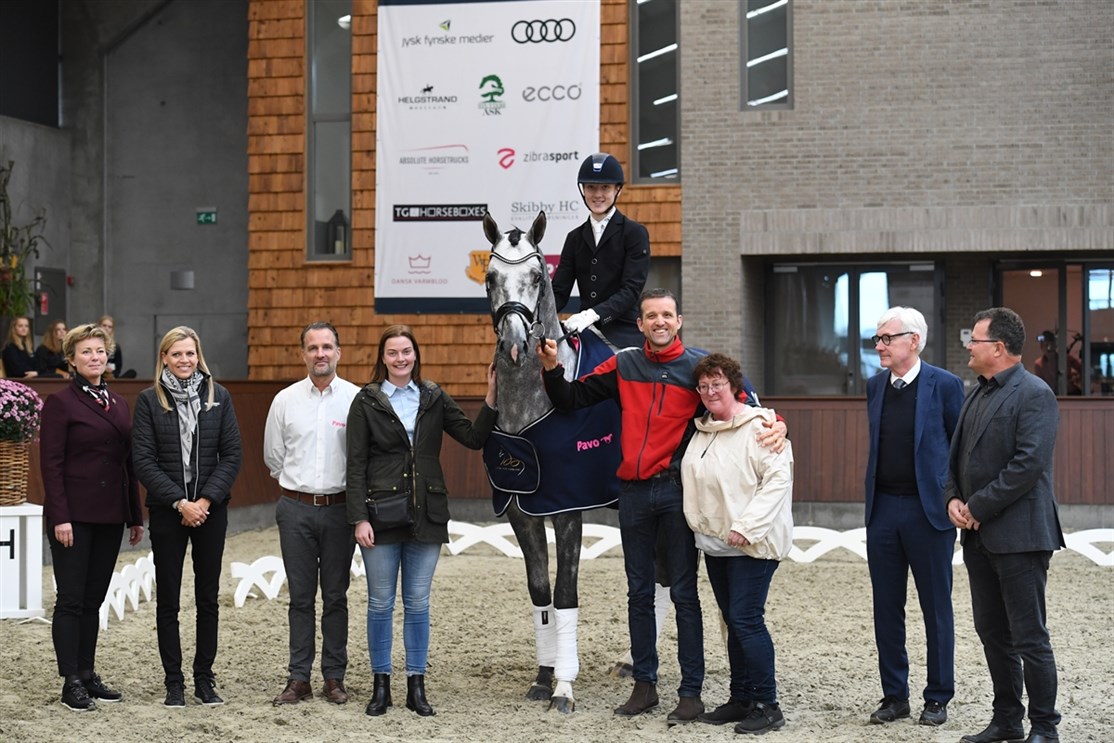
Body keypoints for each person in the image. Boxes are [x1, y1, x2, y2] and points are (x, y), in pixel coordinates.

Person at [536, 287, 787, 724]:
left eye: (666, 315)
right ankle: (645, 684)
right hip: (632, 494)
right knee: (638, 594)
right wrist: (552, 369)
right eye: (651, 315)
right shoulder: (624, 363)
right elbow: (570, 400)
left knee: (685, 594)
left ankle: (690, 692)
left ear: (679, 320)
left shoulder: (698, 369)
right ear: (640, 324)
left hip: (676, 493)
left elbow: (746, 411)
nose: (659, 321)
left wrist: (778, 425)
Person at [346, 325, 497, 718]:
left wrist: (492, 398)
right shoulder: (367, 401)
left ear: (416, 355)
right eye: (393, 353)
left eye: (406, 352)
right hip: (380, 515)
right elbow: (356, 463)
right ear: (383, 358)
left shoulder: (433, 396)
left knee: (417, 603)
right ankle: (381, 687)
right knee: (380, 603)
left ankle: (416, 685)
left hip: (426, 514)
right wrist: (359, 517)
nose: (400, 359)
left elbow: (473, 437)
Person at [947, 307, 1064, 743]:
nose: (968, 347)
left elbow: (1028, 465)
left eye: (974, 340)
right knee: (993, 632)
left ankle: (1045, 728)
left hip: (1021, 537)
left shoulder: (1036, 393)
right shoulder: (976, 393)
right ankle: (1008, 721)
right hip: (977, 536)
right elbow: (954, 457)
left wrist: (976, 505)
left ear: (997, 347)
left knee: (1029, 636)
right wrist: (952, 500)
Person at [680, 353, 794, 735]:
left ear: (735, 387)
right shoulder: (702, 431)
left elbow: (777, 480)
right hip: (716, 545)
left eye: (718, 384)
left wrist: (747, 527)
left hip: (752, 544)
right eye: (704, 386)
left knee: (747, 620)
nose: (711, 391)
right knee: (732, 621)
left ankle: (768, 704)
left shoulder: (761, 427)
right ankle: (741, 697)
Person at [864, 307, 965, 727]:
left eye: (888, 338)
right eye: (878, 339)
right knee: (886, 606)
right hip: (883, 508)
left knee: (935, 607)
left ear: (914, 341)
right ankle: (894, 695)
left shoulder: (945, 385)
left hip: (929, 512)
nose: (881, 346)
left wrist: (955, 498)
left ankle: (938, 696)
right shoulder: (874, 387)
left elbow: (961, 448)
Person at [133, 326, 242, 708]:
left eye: (190, 354)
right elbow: (144, 461)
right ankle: (174, 681)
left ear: (199, 356)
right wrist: (181, 502)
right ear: (164, 357)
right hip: (168, 512)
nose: (184, 360)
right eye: (176, 354)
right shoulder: (149, 401)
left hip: (211, 512)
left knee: (207, 598)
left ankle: (204, 678)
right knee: (169, 600)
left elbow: (231, 455)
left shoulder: (219, 396)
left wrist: (206, 501)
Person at [39, 323, 144, 711]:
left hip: (110, 516)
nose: (94, 357)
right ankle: (70, 681)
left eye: (99, 351)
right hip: (73, 517)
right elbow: (51, 465)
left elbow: (127, 464)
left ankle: (86, 672)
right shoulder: (61, 403)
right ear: (71, 359)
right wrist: (60, 517)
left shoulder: (117, 403)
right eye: (86, 352)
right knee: (70, 598)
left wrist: (134, 515)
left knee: (93, 600)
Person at [265, 322, 360, 706]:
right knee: (300, 598)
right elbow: (274, 457)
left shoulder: (356, 399)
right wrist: (298, 489)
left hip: (340, 511)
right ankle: (298, 677)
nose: (320, 354)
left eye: (326, 347)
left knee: (336, 596)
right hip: (296, 510)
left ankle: (334, 677)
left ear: (339, 352)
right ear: (302, 353)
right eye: (312, 347)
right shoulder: (285, 400)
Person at [551, 152, 650, 349]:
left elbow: (630, 290)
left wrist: (592, 315)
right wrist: (533, 316)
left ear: (617, 190)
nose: (597, 195)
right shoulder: (574, 238)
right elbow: (560, 291)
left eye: (605, 188)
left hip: (624, 333)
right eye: (591, 188)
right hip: (585, 333)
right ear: (583, 191)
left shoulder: (634, 233)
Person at [1033, 330, 1082, 396]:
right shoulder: (1038, 364)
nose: (1048, 348)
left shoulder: (1066, 358)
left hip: (1070, 394)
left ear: (1055, 345)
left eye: (1051, 345)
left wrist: (1075, 379)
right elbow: (1040, 385)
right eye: (1046, 345)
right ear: (1041, 347)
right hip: (1051, 396)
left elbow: (1083, 370)